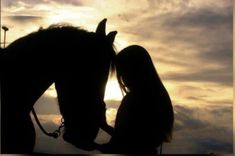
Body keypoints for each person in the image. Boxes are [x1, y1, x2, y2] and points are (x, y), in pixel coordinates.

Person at [96, 45, 174, 154]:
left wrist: (94, 146)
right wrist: (104, 126)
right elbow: (131, 139)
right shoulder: (158, 96)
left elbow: (123, 144)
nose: (122, 77)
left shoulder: (133, 100)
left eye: (124, 71)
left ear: (136, 70)